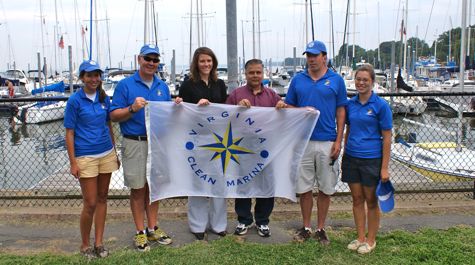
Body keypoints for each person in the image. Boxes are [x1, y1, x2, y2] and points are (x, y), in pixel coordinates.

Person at [110, 44, 172, 252]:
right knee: (138, 189)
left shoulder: (162, 86)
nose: (151, 63)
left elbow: (168, 115)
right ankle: (140, 231)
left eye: (155, 60)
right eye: (148, 59)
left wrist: (177, 106)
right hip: (134, 142)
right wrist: (132, 108)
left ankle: (153, 227)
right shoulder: (125, 85)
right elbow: (113, 115)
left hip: (157, 144)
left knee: (154, 188)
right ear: (139, 59)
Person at [284, 40, 347, 245]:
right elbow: (289, 107)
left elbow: (341, 110)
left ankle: (321, 228)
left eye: (314, 55)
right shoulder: (297, 80)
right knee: (304, 188)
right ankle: (306, 226)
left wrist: (338, 140)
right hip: (303, 141)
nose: (311, 59)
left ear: (324, 57)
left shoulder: (336, 80)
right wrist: (298, 111)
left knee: (325, 188)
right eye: (308, 56)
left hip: (327, 140)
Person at [64, 60, 119, 258]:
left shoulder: (104, 98)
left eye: (97, 75)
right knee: (90, 203)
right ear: (82, 78)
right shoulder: (75, 101)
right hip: (85, 156)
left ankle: (99, 243)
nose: (94, 79)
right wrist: (73, 162)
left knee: (103, 198)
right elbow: (69, 133)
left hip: (106, 153)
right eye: (89, 75)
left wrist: (114, 151)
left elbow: (109, 126)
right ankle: (85, 245)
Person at [225, 59, 286, 237]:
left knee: (266, 184)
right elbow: (225, 117)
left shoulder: (272, 95)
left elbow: (284, 119)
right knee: (243, 183)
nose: (255, 76)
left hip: (267, 148)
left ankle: (262, 221)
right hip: (242, 147)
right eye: (251, 72)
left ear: (263, 73)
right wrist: (237, 108)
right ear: (246, 74)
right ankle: (243, 220)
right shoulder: (236, 94)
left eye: (258, 72)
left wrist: (282, 108)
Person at [177, 47, 228, 240]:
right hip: (197, 141)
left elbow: (225, 111)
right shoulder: (188, 85)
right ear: (196, 64)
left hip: (220, 141)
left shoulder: (220, 84)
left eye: (209, 61)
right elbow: (183, 112)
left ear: (213, 63)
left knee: (219, 182)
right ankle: (198, 225)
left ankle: (219, 224)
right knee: (198, 181)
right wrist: (197, 108)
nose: (206, 64)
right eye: (202, 61)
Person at [342, 64, 392, 254]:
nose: (361, 83)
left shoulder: (380, 106)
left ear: (372, 82)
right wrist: (345, 153)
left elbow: (387, 137)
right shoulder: (350, 104)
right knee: (356, 199)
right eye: (358, 79)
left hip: (372, 159)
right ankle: (360, 237)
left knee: (371, 201)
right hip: (352, 158)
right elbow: (348, 130)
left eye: (365, 80)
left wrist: (384, 168)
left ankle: (371, 240)